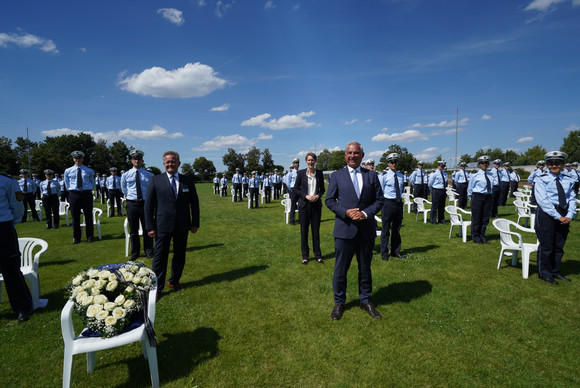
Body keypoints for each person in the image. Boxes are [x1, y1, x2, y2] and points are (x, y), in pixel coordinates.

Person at [325, 141, 384, 320]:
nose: (352, 156)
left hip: (366, 230)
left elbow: (379, 200)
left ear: (362, 155)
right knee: (341, 269)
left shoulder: (371, 176)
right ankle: (339, 302)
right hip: (344, 230)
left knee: (365, 268)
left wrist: (365, 214)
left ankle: (365, 300)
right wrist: (346, 212)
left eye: (356, 153)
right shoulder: (336, 176)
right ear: (345, 155)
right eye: (349, 153)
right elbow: (329, 201)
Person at [145, 151, 199, 299]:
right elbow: (148, 206)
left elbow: (194, 203)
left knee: (180, 255)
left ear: (179, 163)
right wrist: (150, 226)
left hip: (182, 225)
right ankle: (157, 288)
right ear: (163, 164)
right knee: (160, 257)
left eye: (173, 162)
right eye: (168, 162)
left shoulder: (187, 181)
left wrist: (195, 223)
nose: (170, 164)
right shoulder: (155, 180)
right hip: (162, 225)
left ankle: (174, 281)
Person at [534, 151, 577, 284]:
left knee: (559, 245)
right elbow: (543, 200)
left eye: (557, 163)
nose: (554, 166)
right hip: (547, 214)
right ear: (547, 164)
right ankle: (545, 273)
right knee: (546, 245)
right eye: (551, 163)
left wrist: (569, 215)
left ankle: (556, 271)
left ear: (563, 164)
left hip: (564, 213)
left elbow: (572, 198)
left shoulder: (568, 180)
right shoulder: (541, 179)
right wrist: (558, 217)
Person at [0, 173, 33, 322]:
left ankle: (22, 308)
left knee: (11, 270)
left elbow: (18, 207)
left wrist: (7, 225)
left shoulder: (7, 181)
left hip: (3, 229)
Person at [121, 150, 154, 260]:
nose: (137, 160)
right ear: (131, 161)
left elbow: (151, 190)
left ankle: (148, 250)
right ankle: (135, 252)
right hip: (132, 204)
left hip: (145, 204)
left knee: (147, 228)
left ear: (142, 161)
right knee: (133, 230)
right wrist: (131, 198)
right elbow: (124, 189)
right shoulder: (126, 175)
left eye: (139, 159)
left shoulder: (149, 175)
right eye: (134, 158)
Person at [294, 153, 325, 265]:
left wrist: (318, 196)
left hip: (316, 206)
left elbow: (322, 190)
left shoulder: (320, 173)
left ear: (315, 161)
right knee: (304, 232)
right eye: (309, 160)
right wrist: (305, 196)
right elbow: (296, 189)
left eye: (312, 160)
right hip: (304, 206)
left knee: (315, 232)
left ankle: (318, 255)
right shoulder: (301, 173)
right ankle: (305, 256)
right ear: (306, 161)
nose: (311, 162)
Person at [64, 151, 95, 244]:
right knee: (75, 217)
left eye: (79, 158)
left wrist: (87, 189)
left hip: (86, 194)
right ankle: (77, 238)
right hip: (74, 194)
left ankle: (90, 237)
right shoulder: (68, 171)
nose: (78, 160)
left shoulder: (89, 170)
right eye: (76, 158)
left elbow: (92, 183)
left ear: (82, 159)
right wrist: (72, 191)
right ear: (73, 159)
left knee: (89, 216)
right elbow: (66, 183)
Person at [380, 153, 405, 261]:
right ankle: (384, 253)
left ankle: (396, 251)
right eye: (391, 162)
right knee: (385, 230)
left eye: (395, 162)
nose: (394, 164)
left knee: (396, 229)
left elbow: (401, 189)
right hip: (388, 204)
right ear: (388, 163)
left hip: (398, 203)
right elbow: (380, 191)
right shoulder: (383, 176)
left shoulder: (401, 175)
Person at [467, 156, 494, 244]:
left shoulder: (491, 175)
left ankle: (482, 235)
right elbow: (470, 189)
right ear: (479, 165)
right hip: (477, 197)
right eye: (482, 163)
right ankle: (476, 236)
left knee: (485, 218)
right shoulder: (475, 176)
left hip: (488, 197)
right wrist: (472, 200)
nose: (484, 164)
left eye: (486, 163)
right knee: (477, 217)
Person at [287, 159, 300, 225]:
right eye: (295, 163)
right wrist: (291, 190)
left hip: (300, 190)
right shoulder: (291, 173)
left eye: (297, 163)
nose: (296, 164)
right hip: (294, 190)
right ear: (293, 164)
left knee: (301, 205)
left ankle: (301, 220)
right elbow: (288, 183)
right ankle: (291, 220)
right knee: (293, 205)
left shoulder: (300, 172)